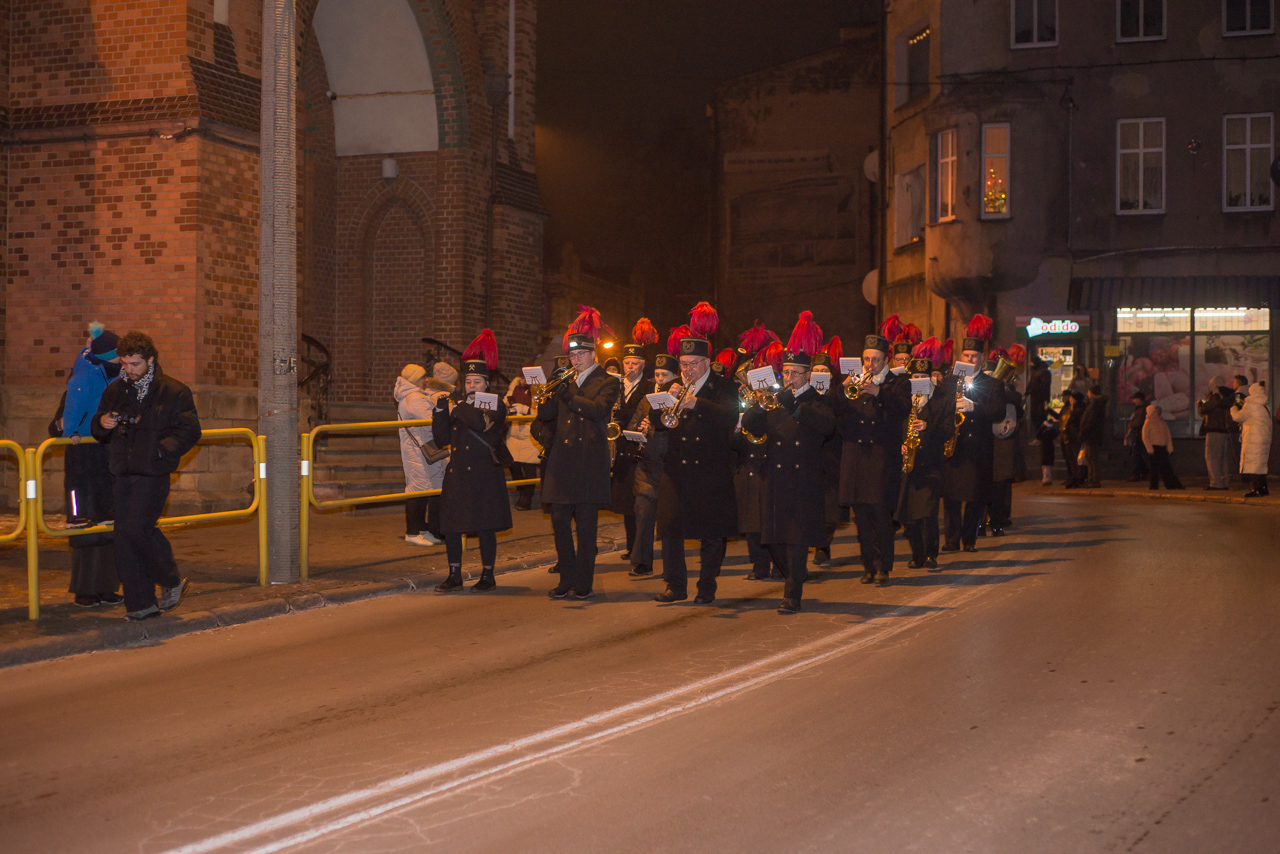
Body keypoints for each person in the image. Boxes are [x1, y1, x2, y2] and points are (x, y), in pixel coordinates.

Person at [92, 332, 201, 621]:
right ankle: (141, 605)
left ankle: (170, 580)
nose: (129, 369)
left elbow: (190, 431)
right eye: (124, 363)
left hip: (153, 471)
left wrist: (160, 451)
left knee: (137, 529)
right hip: (123, 471)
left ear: (150, 359)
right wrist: (102, 422)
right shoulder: (115, 390)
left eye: (135, 364)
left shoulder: (174, 391)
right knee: (123, 538)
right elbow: (98, 427)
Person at [742, 313, 835, 613]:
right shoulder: (775, 399)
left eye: (796, 372)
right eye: (787, 372)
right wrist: (758, 406)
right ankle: (795, 575)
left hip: (803, 479)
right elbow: (752, 427)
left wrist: (795, 406)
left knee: (796, 539)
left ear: (807, 375)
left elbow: (826, 426)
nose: (790, 377)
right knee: (772, 539)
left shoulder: (818, 399)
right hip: (774, 477)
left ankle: (792, 593)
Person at [653, 303, 739, 605]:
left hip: (710, 470)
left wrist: (696, 403)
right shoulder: (672, 385)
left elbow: (729, 417)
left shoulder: (724, 387)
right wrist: (666, 402)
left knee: (711, 533)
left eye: (692, 364)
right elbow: (657, 423)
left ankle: (706, 586)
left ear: (706, 363)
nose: (687, 369)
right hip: (676, 469)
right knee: (670, 529)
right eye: (683, 364)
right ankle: (675, 585)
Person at [539, 306, 620, 600]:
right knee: (559, 522)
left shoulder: (608, 381)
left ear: (593, 353)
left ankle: (583, 582)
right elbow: (546, 416)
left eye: (581, 354)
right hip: (562, 462)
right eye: (572, 355)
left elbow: (598, 410)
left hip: (588, 462)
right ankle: (566, 578)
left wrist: (568, 395)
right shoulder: (566, 379)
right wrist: (547, 394)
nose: (576, 359)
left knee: (586, 527)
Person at [831, 315, 911, 583]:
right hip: (855, 455)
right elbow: (834, 409)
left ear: (886, 360)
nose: (870, 364)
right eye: (866, 359)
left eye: (875, 360)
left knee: (880, 513)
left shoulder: (897, 383)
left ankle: (883, 565)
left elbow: (902, 410)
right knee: (861, 516)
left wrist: (879, 393)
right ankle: (868, 566)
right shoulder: (854, 381)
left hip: (880, 457)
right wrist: (842, 388)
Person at [431, 330, 512, 591]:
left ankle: (488, 575)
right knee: (452, 526)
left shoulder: (494, 403)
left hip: (484, 472)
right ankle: (454, 574)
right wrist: (440, 411)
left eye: (477, 382)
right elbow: (442, 438)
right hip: (458, 473)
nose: (471, 386)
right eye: (468, 382)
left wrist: (460, 406)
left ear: (486, 384)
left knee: (485, 526)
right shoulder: (460, 405)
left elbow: (479, 424)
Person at [50, 322, 124, 607]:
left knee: (109, 523)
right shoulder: (82, 381)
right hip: (82, 465)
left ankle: (107, 586)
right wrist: (64, 426)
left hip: (108, 463)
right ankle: (84, 589)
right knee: (83, 524)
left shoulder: (118, 382)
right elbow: (58, 423)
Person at [940, 315, 1005, 553]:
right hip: (954, 445)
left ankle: (969, 540)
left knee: (975, 496)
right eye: (966, 356)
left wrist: (974, 406)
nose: (969, 359)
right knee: (951, 496)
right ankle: (951, 540)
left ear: (982, 358)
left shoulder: (992, 384)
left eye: (974, 356)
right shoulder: (950, 381)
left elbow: (998, 412)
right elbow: (938, 408)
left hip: (977, 447)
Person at [733, 327, 784, 582]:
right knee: (750, 519)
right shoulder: (742, 396)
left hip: (772, 462)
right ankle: (759, 564)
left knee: (771, 518)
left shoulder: (780, 395)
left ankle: (780, 565)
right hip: (748, 461)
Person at [623, 352, 677, 578]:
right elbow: (631, 427)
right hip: (646, 466)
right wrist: (640, 429)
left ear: (675, 377)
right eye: (657, 375)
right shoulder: (647, 399)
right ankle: (642, 562)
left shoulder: (681, 400)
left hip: (669, 468)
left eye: (665, 375)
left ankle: (673, 567)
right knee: (643, 513)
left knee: (669, 519)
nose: (660, 379)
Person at [898, 338, 951, 569]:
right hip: (908, 465)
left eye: (923, 377)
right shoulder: (903, 402)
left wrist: (928, 427)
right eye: (915, 377)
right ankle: (917, 554)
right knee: (910, 516)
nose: (919, 380)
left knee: (927, 512)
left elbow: (948, 430)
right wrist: (900, 445)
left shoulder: (941, 401)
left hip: (931, 464)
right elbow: (893, 428)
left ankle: (931, 554)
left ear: (930, 378)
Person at [610, 319, 658, 559]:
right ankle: (631, 546)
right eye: (627, 362)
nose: (630, 367)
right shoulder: (616, 385)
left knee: (637, 502)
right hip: (619, 448)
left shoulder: (648, 387)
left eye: (635, 363)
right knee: (625, 504)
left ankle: (637, 547)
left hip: (636, 448)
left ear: (643, 365)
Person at [395, 364, 448, 546]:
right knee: (417, 490)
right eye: (423, 377)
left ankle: (421, 530)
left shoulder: (410, 396)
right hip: (418, 451)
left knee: (425, 488)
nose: (426, 380)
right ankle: (412, 532)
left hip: (419, 449)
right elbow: (432, 424)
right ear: (415, 379)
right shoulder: (415, 398)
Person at [987, 345, 1026, 534]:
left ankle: (999, 518)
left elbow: (1016, 402)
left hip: (1003, 441)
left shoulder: (1010, 393)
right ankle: (989, 519)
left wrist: (998, 387)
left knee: (1000, 485)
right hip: (989, 441)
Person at [503, 373, 540, 510]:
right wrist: (507, 406)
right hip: (514, 433)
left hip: (529, 434)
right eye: (522, 377)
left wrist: (526, 410)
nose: (523, 380)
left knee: (529, 467)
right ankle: (522, 492)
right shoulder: (514, 388)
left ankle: (527, 497)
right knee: (514, 466)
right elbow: (503, 405)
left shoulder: (537, 390)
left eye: (526, 378)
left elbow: (542, 411)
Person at [1231, 382, 1271, 498]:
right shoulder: (1264, 404)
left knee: (1253, 464)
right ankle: (1263, 488)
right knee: (1260, 464)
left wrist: (1234, 408)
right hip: (1262, 438)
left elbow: (1237, 417)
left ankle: (1256, 489)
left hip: (1253, 438)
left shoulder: (1251, 405)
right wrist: (1245, 405)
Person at [1197, 375, 1234, 490]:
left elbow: (1204, 409)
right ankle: (1224, 482)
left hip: (1213, 430)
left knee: (1212, 457)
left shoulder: (1215, 395)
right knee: (1222, 458)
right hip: (1224, 431)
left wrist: (1200, 404)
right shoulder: (1229, 395)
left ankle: (1216, 483)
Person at [1076, 384, 1108, 489]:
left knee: (1092, 458)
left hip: (1092, 436)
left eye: (1089, 392)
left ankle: (1094, 480)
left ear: (1093, 393)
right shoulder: (1095, 404)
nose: (1087, 394)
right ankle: (1091, 480)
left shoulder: (1096, 405)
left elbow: (1091, 421)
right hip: (1091, 435)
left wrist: (1083, 432)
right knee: (1089, 458)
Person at [1060, 391, 1085, 488]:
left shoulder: (1078, 410)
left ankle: (1078, 478)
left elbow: (1074, 424)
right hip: (1070, 437)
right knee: (1071, 459)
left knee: (1076, 458)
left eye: (1071, 398)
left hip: (1074, 437)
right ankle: (1074, 477)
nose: (1069, 400)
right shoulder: (1070, 409)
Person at [1123, 391, 1149, 482]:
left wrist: (1131, 425)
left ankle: (1137, 474)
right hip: (1140, 436)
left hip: (1140, 436)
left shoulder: (1142, 410)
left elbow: (1139, 422)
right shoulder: (1141, 409)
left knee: (1137, 455)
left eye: (1135, 399)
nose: (1133, 401)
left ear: (1139, 399)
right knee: (1140, 455)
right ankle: (1143, 473)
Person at [1026, 355, 1052, 431]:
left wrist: (1031, 390)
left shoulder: (1041, 372)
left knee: (1039, 417)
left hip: (1040, 399)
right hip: (1037, 398)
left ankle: (1040, 433)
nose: (1030, 364)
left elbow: (1044, 386)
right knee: (1037, 417)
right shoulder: (1038, 371)